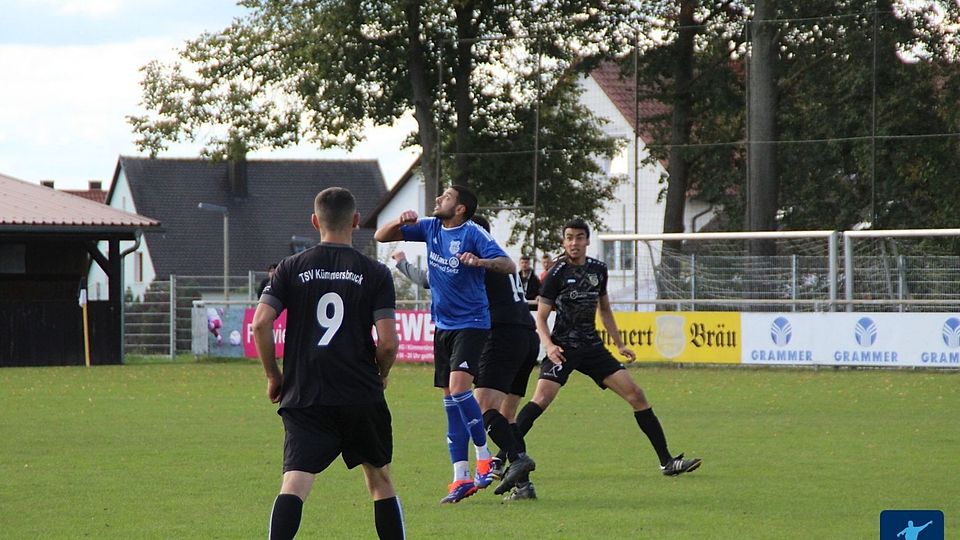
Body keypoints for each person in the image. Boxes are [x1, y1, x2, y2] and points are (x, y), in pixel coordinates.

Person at [252, 187, 404, 540]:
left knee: (295, 481)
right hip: (359, 393)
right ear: (355, 221)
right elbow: (389, 342)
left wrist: (274, 376)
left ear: (314, 221)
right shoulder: (375, 273)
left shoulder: (291, 268)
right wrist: (380, 375)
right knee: (380, 480)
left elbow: (260, 323)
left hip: (306, 393)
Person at [512, 218, 701, 490]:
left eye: (579, 237)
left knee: (636, 395)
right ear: (563, 242)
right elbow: (540, 319)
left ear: (588, 241)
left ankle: (667, 461)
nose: (574, 242)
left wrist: (620, 343)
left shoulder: (599, 269)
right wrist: (550, 346)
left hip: (592, 347)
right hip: (563, 348)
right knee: (540, 400)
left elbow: (605, 310)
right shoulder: (556, 274)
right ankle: (502, 457)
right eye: (569, 237)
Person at [374, 185, 516, 504]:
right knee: (450, 400)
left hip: (472, 323)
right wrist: (400, 221)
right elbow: (381, 237)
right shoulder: (430, 226)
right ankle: (460, 477)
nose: (439, 199)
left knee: (461, 389)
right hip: (443, 325)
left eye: (447, 197)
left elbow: (508, 265)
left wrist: (481, 262)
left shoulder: (473, 233)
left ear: (461, 208)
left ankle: (484, 458)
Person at [390, 216, 538, 500]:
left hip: (502, 335)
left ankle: (517, 458)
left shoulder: (471, 259)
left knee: (480, 409)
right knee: (505, 416)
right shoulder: (498, 258)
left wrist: (401, 263)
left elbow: (426, 280)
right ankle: (523, 485)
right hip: (526, 338)